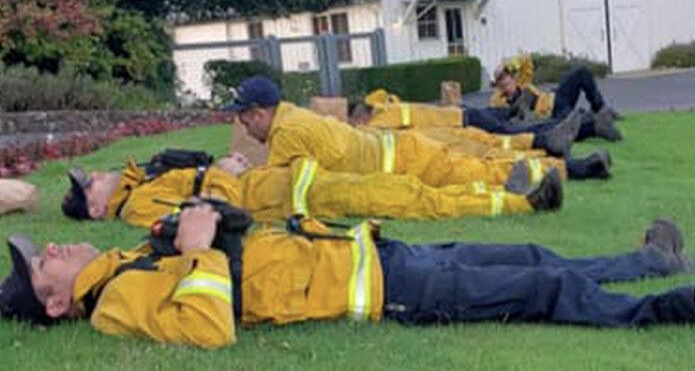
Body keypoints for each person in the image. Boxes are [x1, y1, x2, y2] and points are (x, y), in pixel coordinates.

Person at [1, 206, 695, 348]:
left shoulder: (128, 261)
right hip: (390, 293)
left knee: (532, 260)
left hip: (376, 253)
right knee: (542, 291)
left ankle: (652, 260)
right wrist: (203, 249)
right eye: (44, 264)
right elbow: (208, 326)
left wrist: (202, 223)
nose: (55, 251)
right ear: (56, 301)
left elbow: (233, 255)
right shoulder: (114, 305)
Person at [226, 77, 612, 184]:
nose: (242, 125)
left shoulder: (289, 132)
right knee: (491, 152)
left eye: (244, 118)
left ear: (260, 113)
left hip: (410, 156)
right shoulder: (296, 117)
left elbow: (273, 184)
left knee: (487, 163)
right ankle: (570, 148)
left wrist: (240, 174)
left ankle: (572, 160)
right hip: (418, 142)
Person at [60, 153, 564, 227]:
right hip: (295, 199)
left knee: (402, 185)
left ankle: (501, 186)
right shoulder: (136, 207)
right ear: (97, 207)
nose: (95, 176)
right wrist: (224, 171)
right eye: (90, 186)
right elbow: (205, 210)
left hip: (294, 182)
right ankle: (521, 202)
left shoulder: (139, 183)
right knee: (409, 199)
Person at [356, 89, 583, 158]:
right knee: (507, 132)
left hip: (462, 121)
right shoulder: (389, 108)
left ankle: (562, 131)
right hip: (461, 119)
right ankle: (559, 133)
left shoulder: (381, 118)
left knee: (508, 132)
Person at [489, 54, 622, 142]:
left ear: (512, 78)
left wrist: (510, 64)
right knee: (568, 124)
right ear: (498, 85)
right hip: (551, 116)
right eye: (502, 82)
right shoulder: (497, 100)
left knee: (581, 72)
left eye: (508, 79)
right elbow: (501, 119)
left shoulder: (522, 83)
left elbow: (527, 62)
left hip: (556, 99)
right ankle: (594, 122)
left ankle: (600, 108)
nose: (507, 84)